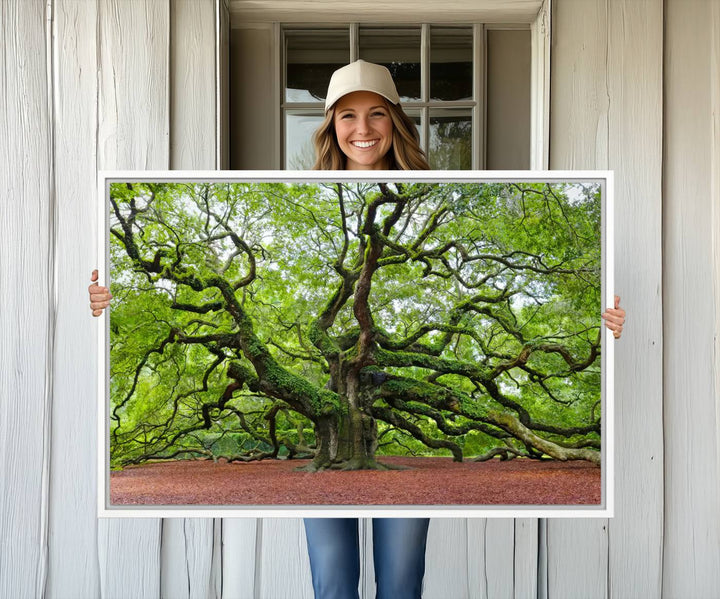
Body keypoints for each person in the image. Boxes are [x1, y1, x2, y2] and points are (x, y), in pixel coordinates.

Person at [88, 60, 626, 599]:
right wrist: (106, 302)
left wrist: (597, 327)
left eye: (376, 115)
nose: (363, 129)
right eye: (348, 115)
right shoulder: (295, 195)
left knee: (400, 585)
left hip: (378, 374)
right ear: (330, 126)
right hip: (330, 455)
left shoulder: (438, 193)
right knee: (333, 585)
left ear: (395, 122)